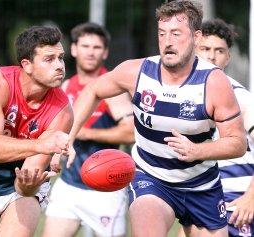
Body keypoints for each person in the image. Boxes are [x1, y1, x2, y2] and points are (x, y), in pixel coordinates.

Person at [66, 1, 247, 237]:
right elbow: (93, 91)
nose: (167, 41)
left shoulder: (214, 83)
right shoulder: (137, 72)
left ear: (196, 37)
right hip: (151, 178)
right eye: (162, 33)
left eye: (176, 33)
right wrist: (69, 136)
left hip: (201, 185)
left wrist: (197, 151)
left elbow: (238, 143)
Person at [0, 25, 73, 237]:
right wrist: (39, 144)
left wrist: (28, 186)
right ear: (26, 65)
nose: (59, 66)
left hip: (20, 191)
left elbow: (27, 180)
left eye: (61, 58)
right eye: (49, 59)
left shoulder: (62, 111)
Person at [42, 22, 134, 237]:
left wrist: (84, 133)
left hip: (105, 189)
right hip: (69, 185)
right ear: (73, 50)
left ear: (105, 52)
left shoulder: (113, 90)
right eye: (85, 46)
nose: (90, 53)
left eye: (96, 47)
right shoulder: (65, 87)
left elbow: (131, 132)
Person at [177, 18, 254, 237]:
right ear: (194, 49)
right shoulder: (186, 95)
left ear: (228, 57)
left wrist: (251, 198)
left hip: (236, 203)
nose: (211, 56)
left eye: (219, 50)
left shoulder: (240, 97)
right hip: (202, 199)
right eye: (205, 49)